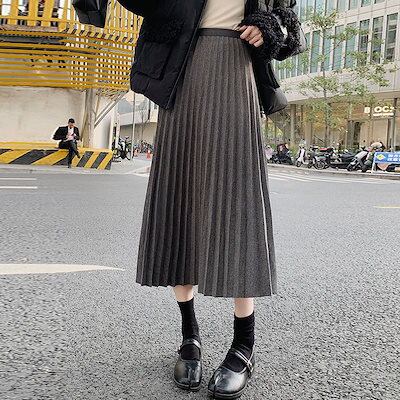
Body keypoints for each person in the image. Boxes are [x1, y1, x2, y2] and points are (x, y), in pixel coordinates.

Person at [73, 0, 304, 398]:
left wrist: (267, 28)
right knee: (179, 201)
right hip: (180, 72)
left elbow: (288, 26)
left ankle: (244, 344)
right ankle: (189, 337)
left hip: (236, 71)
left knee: (237, 205)